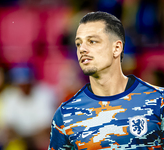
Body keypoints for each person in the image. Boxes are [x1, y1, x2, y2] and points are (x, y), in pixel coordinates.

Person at [48, 11, 164, 150]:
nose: (82, 49)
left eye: (92, 41)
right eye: (78, 44)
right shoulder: (65, 114)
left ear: (116, 48)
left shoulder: (159, 101)